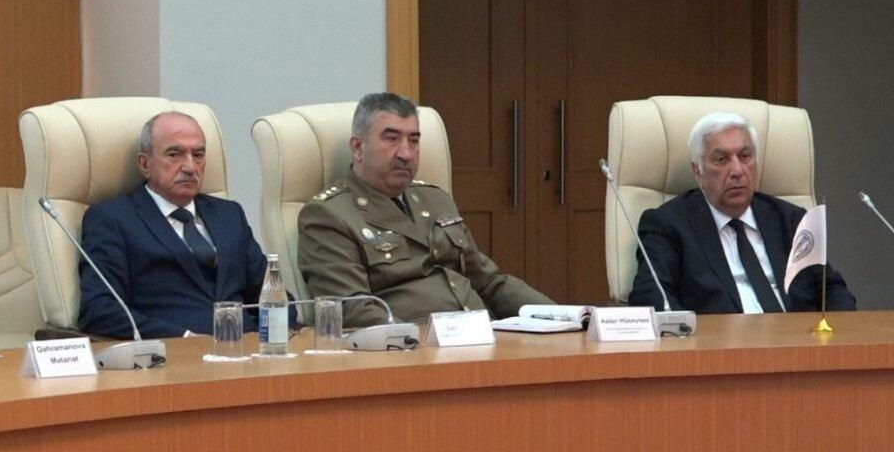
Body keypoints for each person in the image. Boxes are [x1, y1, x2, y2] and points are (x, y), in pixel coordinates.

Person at [297, 93, 554, 326]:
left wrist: (561, 317)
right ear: (357, 148)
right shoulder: (330, 215)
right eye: (391, 139)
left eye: (414, 141)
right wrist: (416, 342)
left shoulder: (435, 200)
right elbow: (352, 309)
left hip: (483, 337)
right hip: (411, 347)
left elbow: (490, 282)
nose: (406, 153)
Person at [78, 111, 286, 338]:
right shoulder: (113, 219)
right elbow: (99, 310)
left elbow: (272, 294)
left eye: (198, 155)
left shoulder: (229, 215)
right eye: (174, 154)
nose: (190, 167)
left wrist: (275, 335)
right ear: (145, 164)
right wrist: (185, 339)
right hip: (173, 352)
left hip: (248, 349)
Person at [628, 111, 856, 314]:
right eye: (721, 159)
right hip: (719, 346)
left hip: (797, 343)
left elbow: (832, 290)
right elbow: (651, 297)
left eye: (745, 156)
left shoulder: (790, 220)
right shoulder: (668, 225)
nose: (737, 170)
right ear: (698, 171)